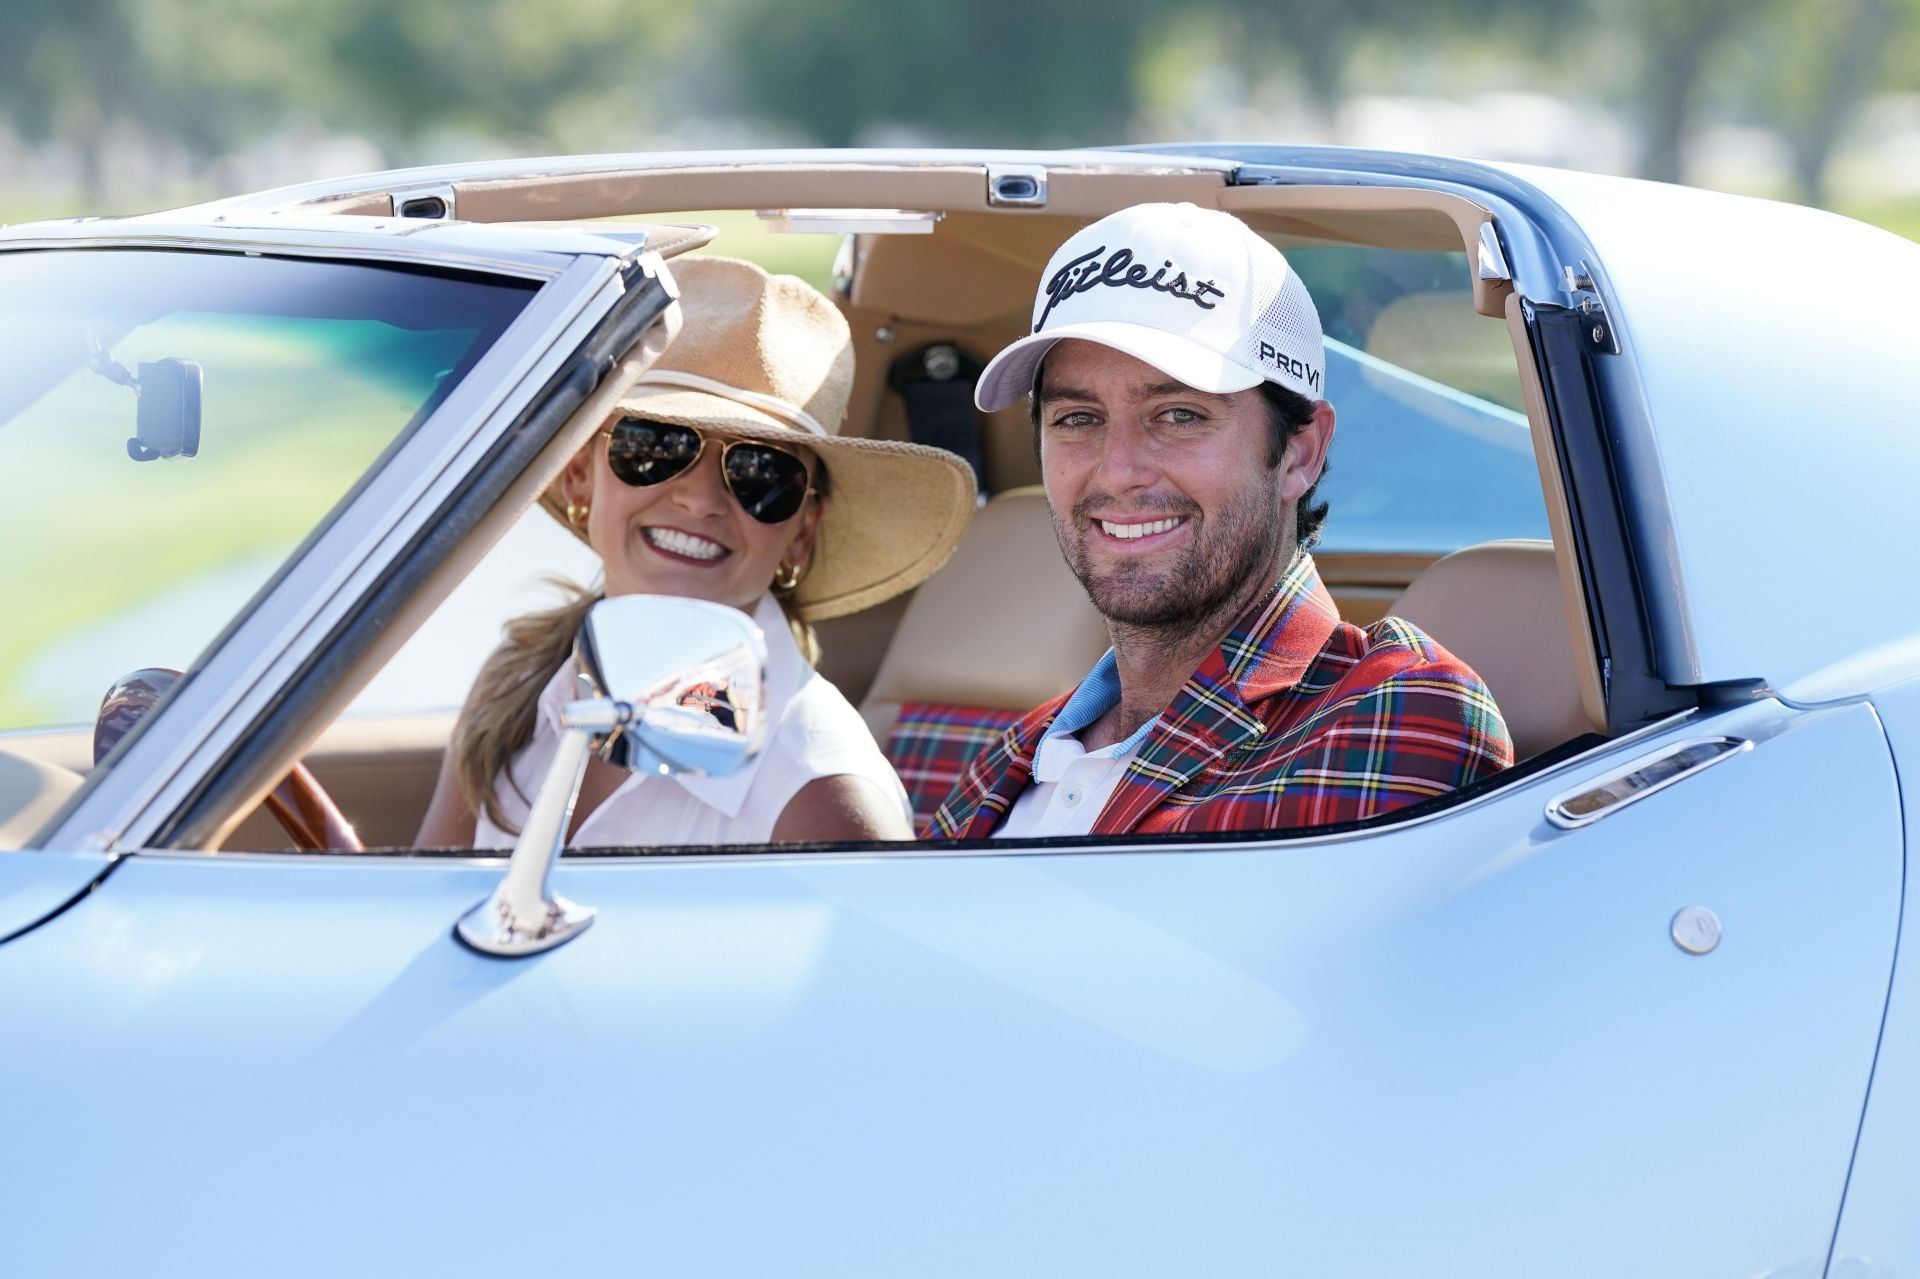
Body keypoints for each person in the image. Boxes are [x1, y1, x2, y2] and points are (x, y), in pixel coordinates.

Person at [924, 203, 1512, 840]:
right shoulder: (1014, 755)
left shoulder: (1393, 713)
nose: (1118, 472)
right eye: (1078, 419)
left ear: (1300, 452)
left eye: (1179, 415)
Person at [417, 256, 975, 848]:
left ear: (802, 531)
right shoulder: (520, 680)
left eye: (761, 471)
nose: (700, 498)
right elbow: (423, 912)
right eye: (656, 445)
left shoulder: (824, 796)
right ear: (580, 473)